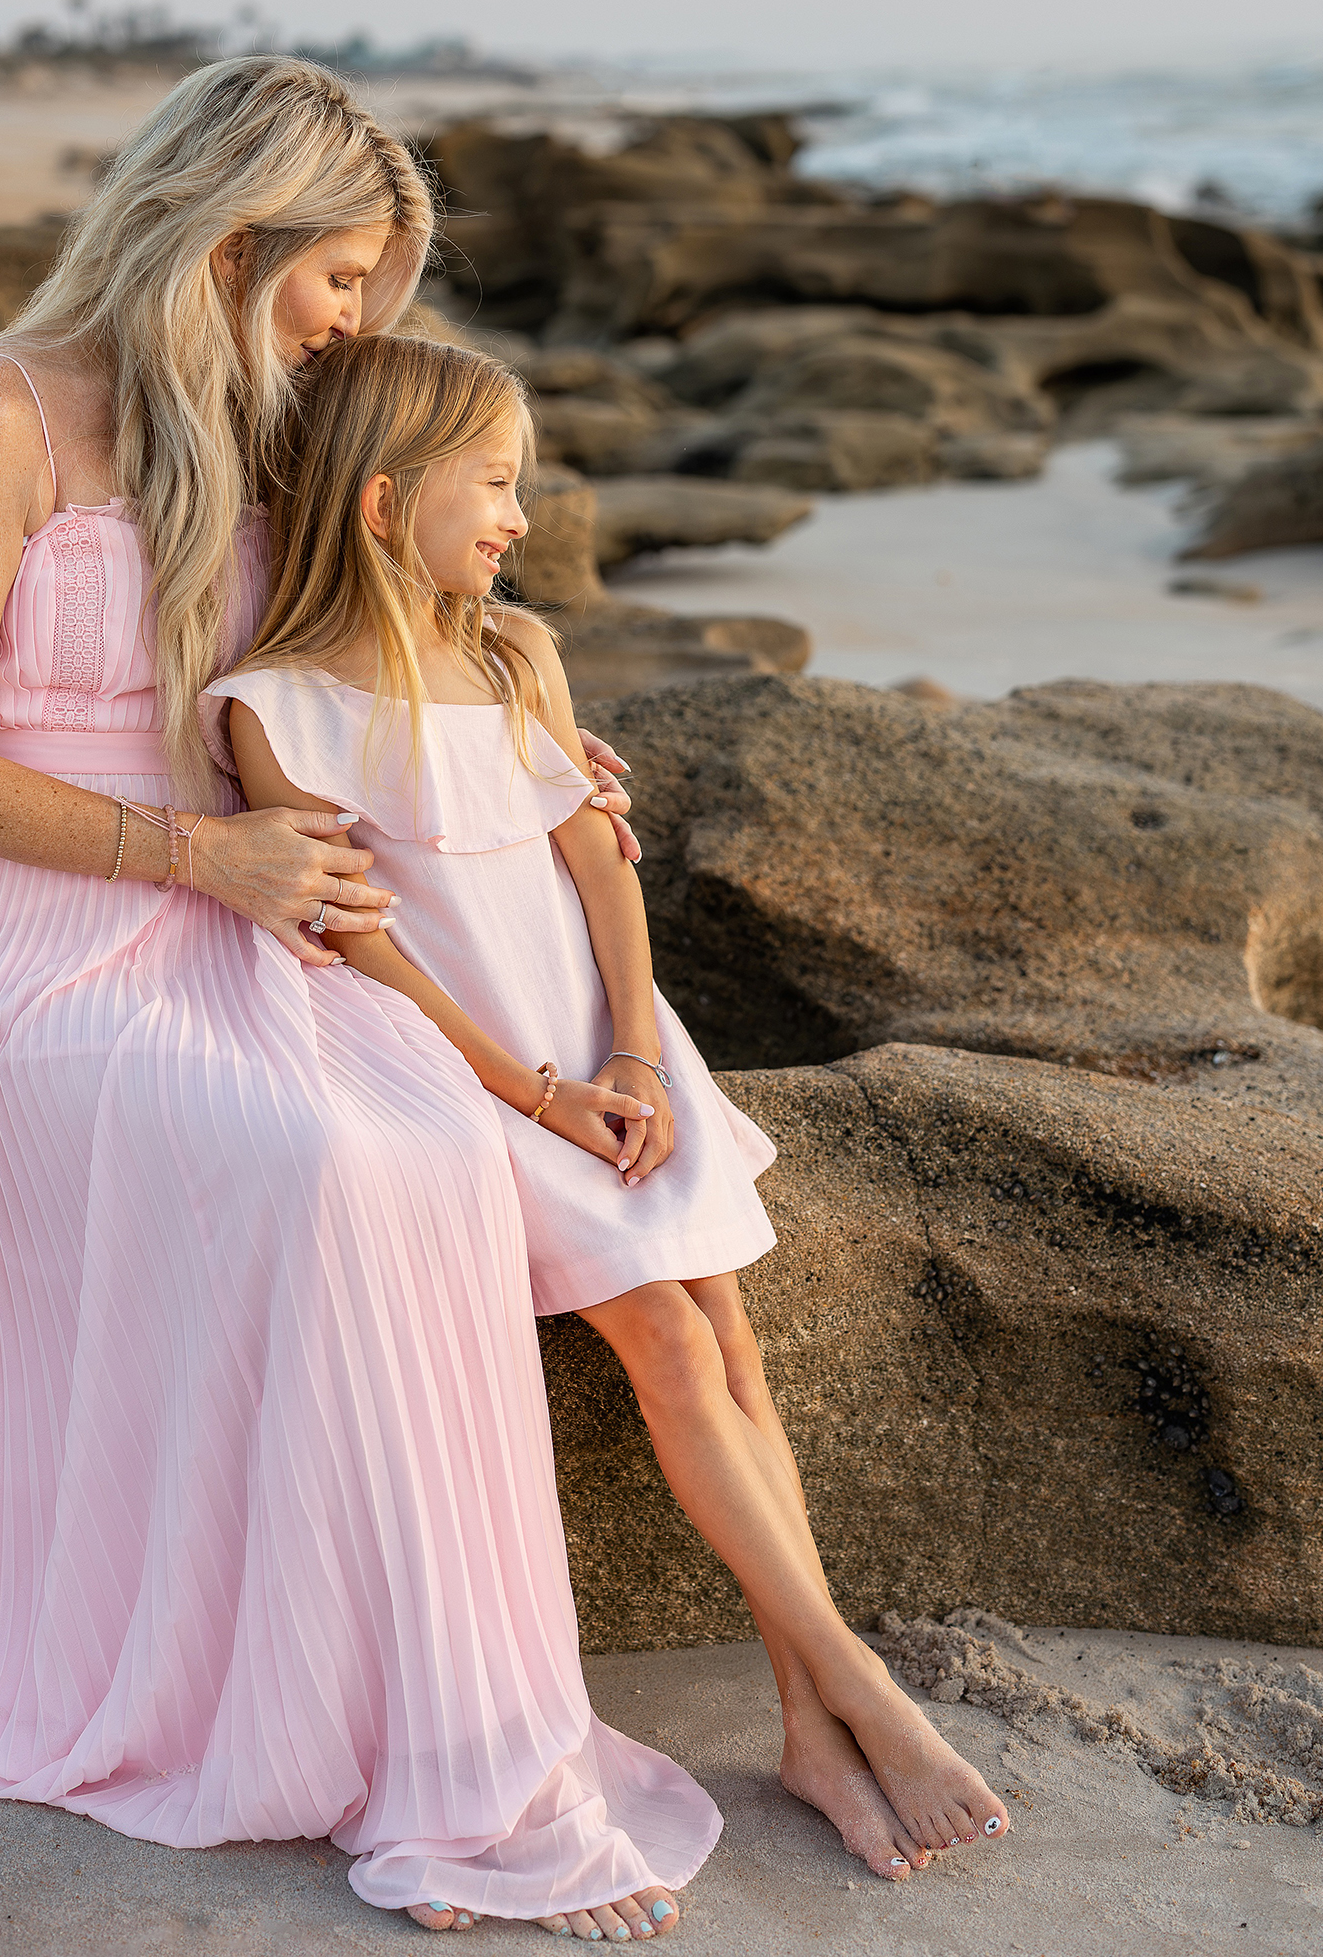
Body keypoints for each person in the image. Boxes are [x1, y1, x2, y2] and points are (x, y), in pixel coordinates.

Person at [0, 59, 715, 1942]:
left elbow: (400, 630)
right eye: (340, 281)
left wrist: (536, 752)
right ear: (233, 238)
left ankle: (434, 1734)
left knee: (425, 1154)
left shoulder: (285, 424)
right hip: (38, 934)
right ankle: (244, 1703)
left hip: (269, 900)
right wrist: (196, 864)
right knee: (308, 1164)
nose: (355, 326)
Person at [208, 332, 1012, 1886]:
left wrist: (636, 1058)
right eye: (493, 482)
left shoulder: (515, 655)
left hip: (614, 1050)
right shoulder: (274, 708)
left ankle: (806, 1716)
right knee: (662, 1334)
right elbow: (360, 944)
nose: (519, 512)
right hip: (478, 1077)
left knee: (729, 1330)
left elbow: (598, 874)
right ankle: (855, 1683)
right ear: (381, 504)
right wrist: (539, 1095)